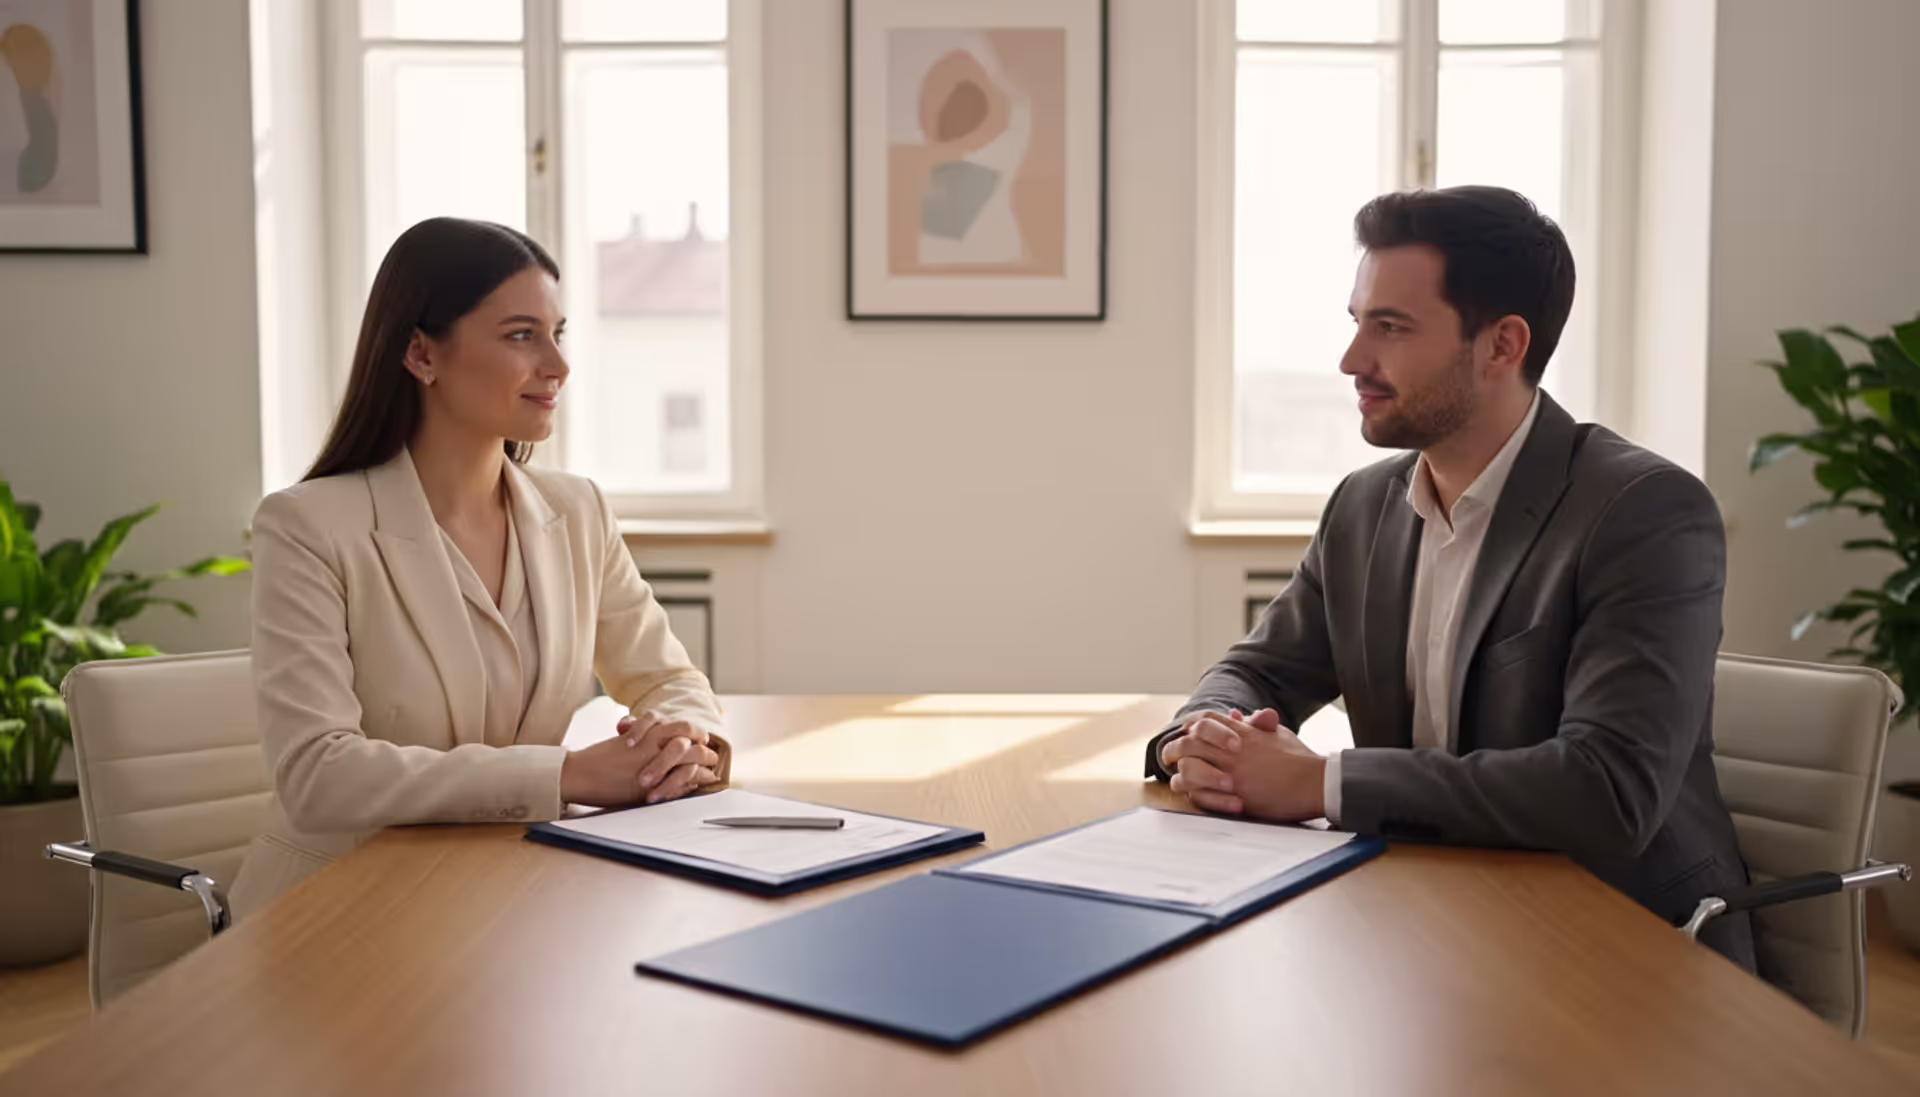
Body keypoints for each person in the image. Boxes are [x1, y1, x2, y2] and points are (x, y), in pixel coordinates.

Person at [1149, 186, 1754, 969]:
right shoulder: (1365, 505)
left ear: (1502, 345)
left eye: (1390, 328)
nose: (1352, 361)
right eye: (1357, 322)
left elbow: (1608, 791)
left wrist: (1320, 784)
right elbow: (1257, 670)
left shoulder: (1646, 513)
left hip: (1623, 947)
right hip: (1428, 924)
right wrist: (1200, 740)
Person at [230, 218, 726, 919]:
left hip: (508, 894)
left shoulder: (576, 509)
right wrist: (569, 774)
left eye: (559, 333)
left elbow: (668, 678)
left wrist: (683, 743)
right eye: (522, 335)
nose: (557, 364)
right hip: (339, 907)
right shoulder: (307, 527)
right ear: (421, 353)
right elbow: (319, 773)